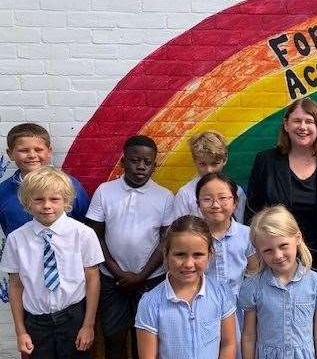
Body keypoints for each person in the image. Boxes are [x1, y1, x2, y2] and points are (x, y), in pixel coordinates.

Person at [85, 135, 174, 359]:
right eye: (135, 161)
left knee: (145, 336)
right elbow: (95, 235)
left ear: (155, 165)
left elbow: (166, 241)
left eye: (147, 162)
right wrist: (116, 271)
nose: (141, 166)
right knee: (114, 335)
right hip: (111, 278)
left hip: (152, 279)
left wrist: (141, 275)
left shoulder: (164, 196)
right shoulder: (105, 191)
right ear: (123, 162)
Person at [0, 167, 104, 358]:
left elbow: (92, 279)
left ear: (66, 201)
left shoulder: (83, 234)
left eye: (54, 199)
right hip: (36, 323)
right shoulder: (17, 239)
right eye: (38, 199)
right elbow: (15, 285)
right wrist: (20, 331)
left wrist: (88, 324)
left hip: (73, 317)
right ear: (27, 203)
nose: (47, 205)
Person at [245, 98, 317, 276]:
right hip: (277, 265)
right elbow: (252, 213)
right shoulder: (266, 161)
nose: (303, 127)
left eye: (309, 121)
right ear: (286, 125)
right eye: (297, 121)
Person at [135, 215, 237, 359]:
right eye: (180, 254)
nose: (189, 264)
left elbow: (228, 344)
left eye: (198, 255)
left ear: (210, 255)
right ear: (166, 254)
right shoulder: (150, 303)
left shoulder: (221, 293)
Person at [239, 205, 317, 359]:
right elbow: (249, 335)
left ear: (298, 238)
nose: (277, 255)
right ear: (258, 251)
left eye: (283, 246)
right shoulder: (253, 287)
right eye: (268, 250)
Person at [196, 172, 259, 356]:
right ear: (198, 204)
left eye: (223, 198)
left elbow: (253, 273)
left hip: (239, 306)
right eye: (207, 199)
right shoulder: (194, 236)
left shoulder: (247, 235)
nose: (216, 205)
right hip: (203, 306)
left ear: (235, 202)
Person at [1, 123, 90, 236]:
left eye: (38, 150)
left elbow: (85, 223)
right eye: (24, 150)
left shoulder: (70, 185)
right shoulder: (3, 192)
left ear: (49, 151)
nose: (32, 155)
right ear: (10, 154)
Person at [172, 131, 246, 221]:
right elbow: (180, 230)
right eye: (203, 164)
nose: (209, 170)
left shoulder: (237, 192)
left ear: (225, 159)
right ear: (195, 160)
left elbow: (239, 226)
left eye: (214, 164)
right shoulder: (185, 194)